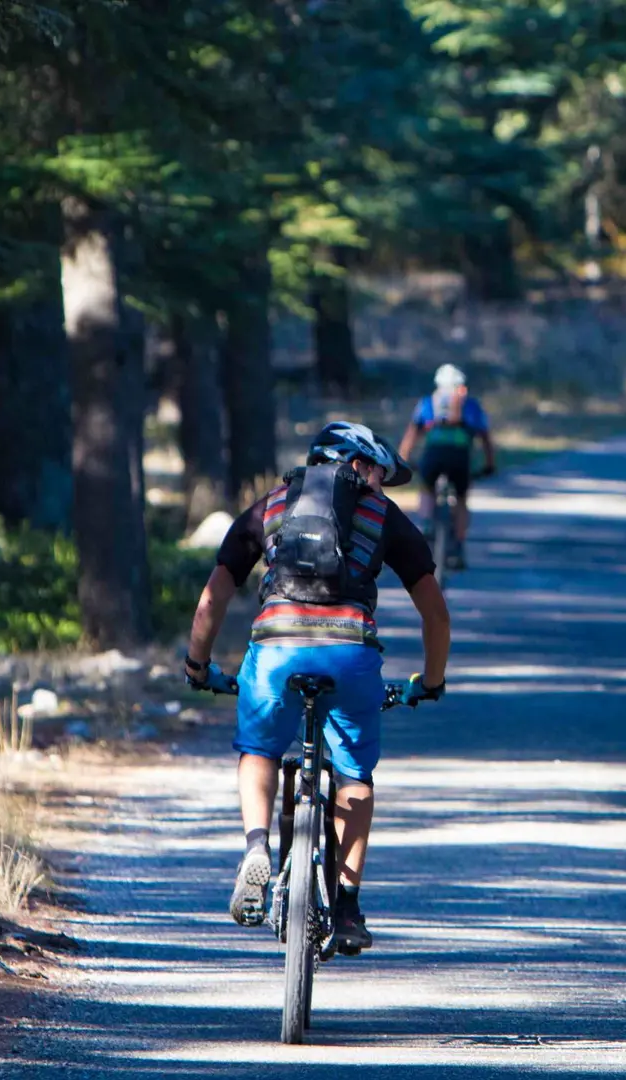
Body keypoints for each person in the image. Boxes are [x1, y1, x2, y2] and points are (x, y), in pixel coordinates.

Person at [182, 421, 451, 955]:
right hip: (350, 657)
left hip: (275, 652)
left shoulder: (271, 507)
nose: (378, 484)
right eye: (376, 471)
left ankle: (257, 846)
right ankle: (347, 905)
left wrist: (198, 664)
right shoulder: (382, 516)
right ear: (355, 464)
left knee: (259, 749)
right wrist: (432, 680)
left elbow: (213, 598)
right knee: (354, 773)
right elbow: (435, 615)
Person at [399, 363, 496, 569]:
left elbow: (412, 434)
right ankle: (459, 545)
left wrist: (404, 458)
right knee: (460, 499)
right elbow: (486, 438)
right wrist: (489, 464)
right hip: (460, 457)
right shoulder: (471, 405)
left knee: (427, 488)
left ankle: (425, 522)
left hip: (433, 455)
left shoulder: (427, 403)